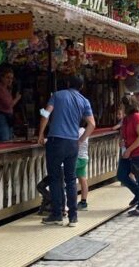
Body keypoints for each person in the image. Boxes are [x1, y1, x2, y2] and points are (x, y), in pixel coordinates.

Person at [37, 74, 95, 226]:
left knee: (55, 179)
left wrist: (41, 133)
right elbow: (92, 124)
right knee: (71, 180)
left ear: (68, 83)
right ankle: (73, 217)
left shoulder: (57, 95)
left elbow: (46, 113)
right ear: (81, 87)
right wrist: (80, 140)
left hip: (56, 141)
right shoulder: (84, 101)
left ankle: (57, 214)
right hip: (72, 144)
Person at [120, 94, 139, 216]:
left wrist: (129, 149)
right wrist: (122, 140)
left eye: (122, 105)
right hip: (128, 152)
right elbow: (125, 132)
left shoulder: (137, 117)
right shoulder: (127, 118)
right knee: (122, 175)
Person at [0, 69, 21, 142]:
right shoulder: (0, 88)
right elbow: (9, 105)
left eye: (11, 78)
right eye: (7, 77)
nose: (10, 80)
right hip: (2, 116)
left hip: (8, 116)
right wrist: (17, 98)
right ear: (2, 78)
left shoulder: (7, 89)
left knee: (10, 140)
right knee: (4, 140)